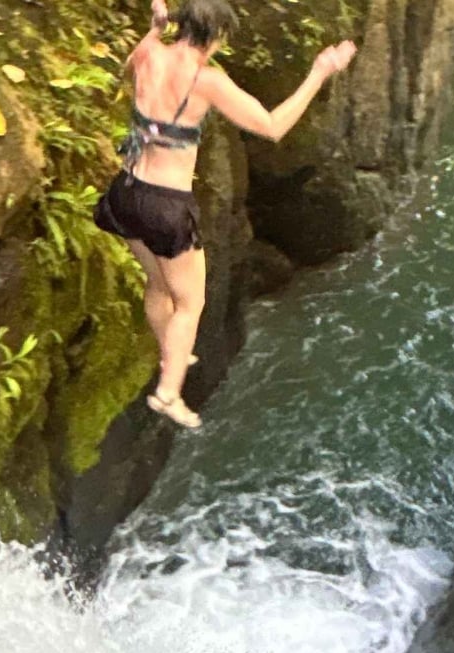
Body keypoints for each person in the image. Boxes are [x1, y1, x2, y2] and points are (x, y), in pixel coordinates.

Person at [94, 0, 356, 428]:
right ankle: (168, 394)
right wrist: (319, 73)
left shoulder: (149, 52)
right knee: (191, 302)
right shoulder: (206, 81)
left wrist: (154, 28)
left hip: (126, 193)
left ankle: (170, 356)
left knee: (159, 285)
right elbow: (272, 126)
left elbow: (128, 68)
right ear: (214, 36)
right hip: (166, 206)